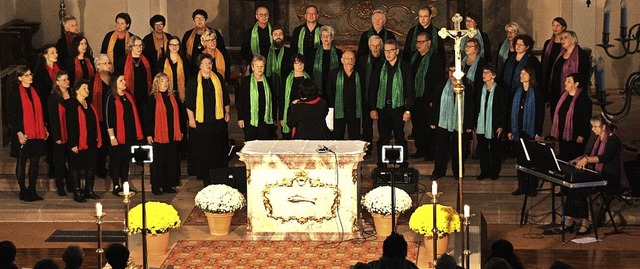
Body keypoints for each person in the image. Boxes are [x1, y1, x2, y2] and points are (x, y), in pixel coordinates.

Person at [567, 114, 622, 235]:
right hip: (598, 173)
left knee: (580, 188)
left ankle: (586, 222)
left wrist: (586, 160)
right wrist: (580, 158)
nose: (593, 129)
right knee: (571, 185)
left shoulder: (613, 139)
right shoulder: (598, 139)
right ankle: (569, 219)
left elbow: (605, 157)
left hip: (608, 177)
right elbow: (590, 153)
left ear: (603, 127)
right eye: (592, 126)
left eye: (596, 127)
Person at [369, 39, 414, 168]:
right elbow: (373, 87)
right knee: (383, 137)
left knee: (400, 136)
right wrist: (373, 107)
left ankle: (402, 163)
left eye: (390, 50)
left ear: (397, 51)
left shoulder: (404, 67)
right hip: (382, 108)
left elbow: (410, 89)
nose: (388, 54)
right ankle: (382, 164)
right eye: (386, 51)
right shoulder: (379, 66)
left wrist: (408, 110)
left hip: (398, 108)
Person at [185, 53, 231, 179]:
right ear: (199, 65)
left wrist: (227, 112)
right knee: (202, 148)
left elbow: (225, 98)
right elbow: (189, 102)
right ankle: (203, 172)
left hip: (217, 119)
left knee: (217, 146)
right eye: (205, 63)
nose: (208, 65)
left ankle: (218, 171)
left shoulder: (218, 78)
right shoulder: (193, 81)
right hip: (200, 121)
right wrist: (191, 119)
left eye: (210, 63)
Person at [10, 67, 48, 201]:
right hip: (22, 133)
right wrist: (19, 132)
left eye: (30, 74)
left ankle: (32, 189)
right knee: (21, 161)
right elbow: (11, 115)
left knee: (35, 161)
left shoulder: (34, 90)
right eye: (26, 75)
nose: (30, 76)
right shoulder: (15, 92)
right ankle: (23, 190)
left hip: (36, 132)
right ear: (20, 78)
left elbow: (39, 111)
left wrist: (43, 127)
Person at [431, 64, 474, 180]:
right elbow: (435, 104)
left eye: (454, 71)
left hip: (459, 122)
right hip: (443, 122)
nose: (451, 74)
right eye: (450, 71)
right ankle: (438, 171)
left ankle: (458, 172)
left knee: (458, 148)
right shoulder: (441, 86)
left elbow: (470, 107)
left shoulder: (467, 88)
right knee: (441, 147)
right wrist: (433, 120)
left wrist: (469, 124)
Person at [509, 67, 545, 196]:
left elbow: (540, 114)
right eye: (521, 73)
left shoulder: (536, 92)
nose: (521, 75)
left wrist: (538, 132)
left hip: (530, 131)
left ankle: (531, 186)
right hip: (518, 130)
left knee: (531, 159)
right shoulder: (517, 91)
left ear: (531, 75)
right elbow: (512, 111)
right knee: (520, 160)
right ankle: (521, 186)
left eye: (524, 73)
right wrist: (510, 129)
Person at [144, 73, 182, 195]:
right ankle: (156, 186)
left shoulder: (173, 97)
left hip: (172, 134)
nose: (165, 84)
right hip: (158, 134)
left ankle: (168, 184)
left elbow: (179, 115)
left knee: (170, 160)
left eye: (167, 81)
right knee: (157, 161)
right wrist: (148, 134)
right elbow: (148, 118)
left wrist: (180, 130)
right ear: (157, 83)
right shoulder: (152, 99)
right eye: (162, 81)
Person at [105, 74, 143, 195]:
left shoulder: (128, 95)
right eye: (121, 80)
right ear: (115, 83)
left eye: (124, 80)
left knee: (126, 160)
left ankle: (125, 184)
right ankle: (116, 185)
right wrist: (112, 136)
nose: (124, 82)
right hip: (117, 135)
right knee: (117, 160)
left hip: (129, 133)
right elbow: (108, 118)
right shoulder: (110, 97)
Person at [410, 31, 445, 160]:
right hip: (416, 98)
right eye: (417, 42)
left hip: (429, 98)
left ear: (429, 43)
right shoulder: (415, 58)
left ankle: (430, 152)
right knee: (417, 125)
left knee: (429, 126)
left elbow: (437, 80)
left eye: (422, 42)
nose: (419, 45)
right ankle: (420, 149)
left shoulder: (435, 58)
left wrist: (433, 99)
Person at [67, 80, 103, 202]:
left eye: (87, 88)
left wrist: (97, 137)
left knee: (91, 166)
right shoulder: (72, 104)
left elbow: (94, 123)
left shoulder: (89, 104)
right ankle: (77, 191)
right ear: (77, 90)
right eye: (84, 88)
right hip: (77, 142)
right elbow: (70, 126)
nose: (87, 91)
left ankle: (89, 190)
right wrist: (73, 143)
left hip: (90, 140)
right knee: (76, 167)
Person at [547, 30, 590, 126]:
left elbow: (584, 75)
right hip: (556, 90)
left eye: (565, 38)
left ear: (573, 40)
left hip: (572, 92)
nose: (562, 40)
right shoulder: (560, 54)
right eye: (561, 38)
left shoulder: (582, 55)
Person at [550, 73, 592, 161]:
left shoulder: (583, 99)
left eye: (568, 81)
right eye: (566, 80)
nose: (565, 83)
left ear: (576, 84)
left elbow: (586, 119)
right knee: (564, 156)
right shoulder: (564, 95)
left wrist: (581, 134)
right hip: (563, 134)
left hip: (576, 135)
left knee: (573, 157)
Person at [476, 67, 508, 180]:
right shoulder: (481, 89)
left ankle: (495, 171)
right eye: (483, 72)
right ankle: (484, 171)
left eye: (487, 72)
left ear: (493, 75)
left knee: (495, 149)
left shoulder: (499, 90)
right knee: (483, 149)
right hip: (482, 124)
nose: (484, 75)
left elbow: (503, 109)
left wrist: (501, 125)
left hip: (494, 124)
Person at [236, 55, 276, 141]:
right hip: (250, 120)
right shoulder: (246, 81)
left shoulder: (268, 81)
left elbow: (273, 100)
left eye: (262, 66)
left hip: (266, 120)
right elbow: (240, 101)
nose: (259, 68)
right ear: (252, 67)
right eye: (257, 66)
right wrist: (240, 118)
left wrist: (274, 118)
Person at [327, 50, 362, 140]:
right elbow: (329, 92)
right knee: (337, 137)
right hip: (339, 111)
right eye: (347, 59)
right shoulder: (334, 74)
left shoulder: (360, 74)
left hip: (355, 112)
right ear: (342, 60)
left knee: (355, 138)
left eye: (352, 59)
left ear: (355, 60)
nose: (349, 61)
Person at [357, 35, 383, 154]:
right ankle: (367, 149)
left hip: (382, 97)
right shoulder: (362, 60)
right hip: (367, 97)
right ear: (369, 46)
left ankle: (382, 150)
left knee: (384, 126)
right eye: (373, 46)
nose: (375, 48)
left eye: (378, 46)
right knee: (367, 126)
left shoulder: (385, 60)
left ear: (381, 47)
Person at [48, 71, 72, 196]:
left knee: (72, 160)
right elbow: (53, 118)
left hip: (71, 132)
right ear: (57, 82)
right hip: (60, 134)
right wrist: (57, 136)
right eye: (63, 80)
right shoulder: (53, 98)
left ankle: (71, 184)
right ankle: (60, 186)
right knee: (59, 162)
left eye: (67, 79)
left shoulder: (72, 94)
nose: (67, 81)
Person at [182, 9, 227, 74]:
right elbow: (183, 52)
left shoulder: (214, 33)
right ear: (194, 21)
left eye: (202, 18)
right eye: (197, 18)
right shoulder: (188, 35)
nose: (199, 20)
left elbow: (222, 50)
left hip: (213, 66)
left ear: (205, 20)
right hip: (193, 68)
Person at [541, 17, 568, 125]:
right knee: (553, 107)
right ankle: (554, 131)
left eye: (558, 25)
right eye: (553, 25)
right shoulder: (548, 43)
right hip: (549, 80)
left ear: (564, 27)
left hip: (561, 79)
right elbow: (544, 61)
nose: (555, 28)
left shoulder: (566, 43)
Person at [118, 35, 153, 116]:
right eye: (136, 46)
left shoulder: (147, 60)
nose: (139, 48)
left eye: (140, 45)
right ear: (131, 47)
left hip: (144, 97)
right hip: (128, 95)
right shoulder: (122, 61)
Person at [91, 54, 113, 178]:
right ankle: (100, 167)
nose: (108, 65)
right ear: (98, 66)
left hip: (112, 116)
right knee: (102, 144)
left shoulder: (114, 79)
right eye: (105, 63)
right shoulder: (93, 81)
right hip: (100, 117)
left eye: (109, 63)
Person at [279, 54, 310, 140]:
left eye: (301, 63)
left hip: (305, 113)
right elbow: (282, 98)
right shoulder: (286, 79)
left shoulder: (309, 78)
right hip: (290, 113)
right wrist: (281, 118)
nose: (299, 66)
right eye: (296, 63)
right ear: (292, 65)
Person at [306, 25, 341, 98]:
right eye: (323, 36)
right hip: (317, 87)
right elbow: (309, 70)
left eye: (328, 35)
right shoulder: (313, 53)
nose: (326, 38)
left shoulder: (338, 53)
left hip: (333, 87)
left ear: (332, 38)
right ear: (321, 38)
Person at [265, 26, 293, 101]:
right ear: (272, 36)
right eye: (275, 34)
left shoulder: (290, 52)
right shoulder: (265, 52)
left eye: (280, 34)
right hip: (268, 85)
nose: (278, 37)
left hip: (285, 86)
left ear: (283, 36)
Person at [158, 36, 189, 102]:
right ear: (168, 46)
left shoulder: (185, 61)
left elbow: (188, 77)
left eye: (177, 45)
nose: (174, 47)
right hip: (166, 93)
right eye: (172, 44)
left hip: (181, 94)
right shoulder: (162, 61)